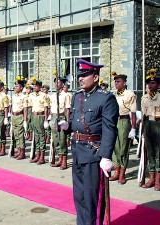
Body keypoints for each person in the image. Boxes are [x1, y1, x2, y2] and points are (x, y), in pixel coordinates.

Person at [63, 59, 119, 224]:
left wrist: (106, 156)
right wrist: (67, 126)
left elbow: (110, 129)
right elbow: (76, 122)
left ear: (95, 78)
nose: (80, 78)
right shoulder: (77, 97)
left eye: (85, 75)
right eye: (80, 75)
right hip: (78, 151)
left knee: (92, 197)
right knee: (79, 196)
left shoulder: (106, 98)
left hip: (94, 153)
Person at [110, 72, 137, 184]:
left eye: (119, 81)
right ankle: (116, 170)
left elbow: (133, 112)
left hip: (124, 121)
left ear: (124, 83)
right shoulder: (114, 95)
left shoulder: (130, 94)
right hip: (114, 121)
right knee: (114, 146)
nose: (116, 84)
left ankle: (122, 173)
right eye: (115, 82)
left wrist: (133, 128)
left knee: (123, 148)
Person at [141, 69, 160, 191]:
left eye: (153, 83)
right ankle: (151, 178)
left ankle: (158, 181)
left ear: (158, 85)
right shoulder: (144, 98)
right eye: (148, 83)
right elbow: (143, 115)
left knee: (159, 153)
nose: (150, 85)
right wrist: (142, 130)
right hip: (148, 125)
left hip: (158, 124)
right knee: (150, 152)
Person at [50, 76, 71, 170]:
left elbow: (67, 109)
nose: (56, 84)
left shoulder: (65, 95)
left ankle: (64, 161)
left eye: (58, 83)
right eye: (55, 83)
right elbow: (51, 108)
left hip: (61, 117)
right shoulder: (53, 95)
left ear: (62, 84)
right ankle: (59, 158)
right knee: (56, 139)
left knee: (62, 139)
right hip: (54, 117)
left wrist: (67, 121)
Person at [28, 79, 49, 165]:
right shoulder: (31, 95)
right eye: (34, 86)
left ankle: (42, 156)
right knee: (36, 136)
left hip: (40, 116)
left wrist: (46, 119)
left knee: (41, 136)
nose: (35, 87)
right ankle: (37, 155)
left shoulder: (44, 95)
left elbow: (46, 108)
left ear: (40, 87)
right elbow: (29, 105)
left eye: (36, 86)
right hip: (34, 115)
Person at [11, 79, 28, 160]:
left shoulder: (24, 96)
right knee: (16, 135)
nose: (15, 88)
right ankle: (18, 151)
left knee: (20, 135)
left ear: (21, 88)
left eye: (17, 86)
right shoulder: (14, 96)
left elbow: (25, 109)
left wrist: (25, 120)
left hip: (20, 116)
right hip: (14, 116)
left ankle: (22, 152)